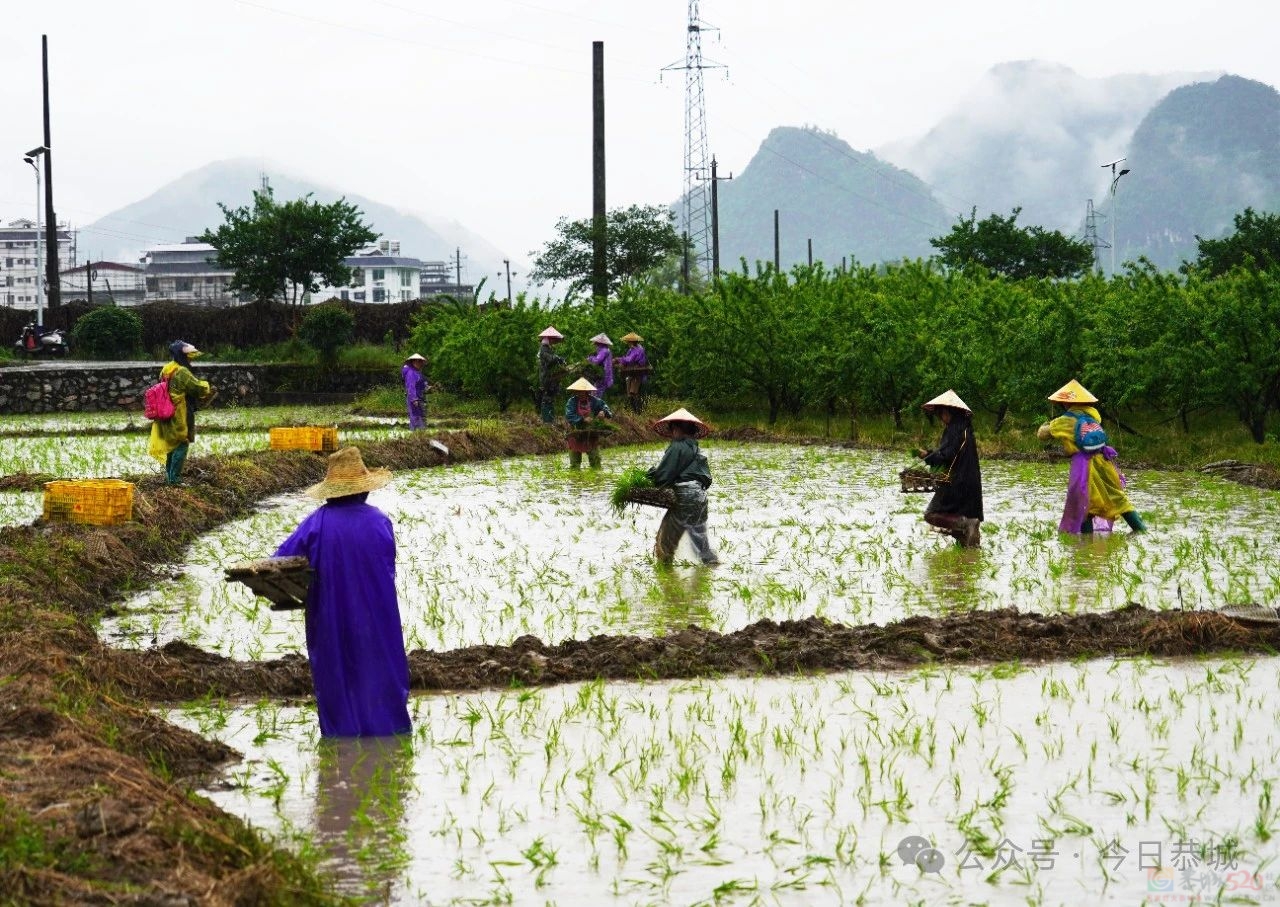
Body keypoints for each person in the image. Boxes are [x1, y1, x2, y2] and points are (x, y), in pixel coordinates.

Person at [274, 446, 412, 738]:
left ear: (330, 492)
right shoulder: (380, 522)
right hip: (377, 618)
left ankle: (341, 740)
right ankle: (389, 734)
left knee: (336, 674)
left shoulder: (317, 523)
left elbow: (281, 562)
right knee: (380, 670)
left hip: (331, 618)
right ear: (364, 489)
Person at [1037, 379, 1148, 534]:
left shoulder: (1065, 421)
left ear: (1066, 403)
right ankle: (1141, 530)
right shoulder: (1094, 416)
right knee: (1117, 496)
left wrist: (1045, 425)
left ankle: (1086, 543)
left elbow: (1042, 434)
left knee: (1084, 503)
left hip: (1084, 465)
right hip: (1105, 461)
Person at [647, 408, 720, 565]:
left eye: (673, 429)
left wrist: (650, 476)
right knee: (700, 542)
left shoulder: (677, 446)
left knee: (665, 543)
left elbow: (663, 476)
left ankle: (665, 576)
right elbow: (706, 479)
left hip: (684, 496)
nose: (672, 434)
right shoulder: (697, 450)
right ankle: (711, 569)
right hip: (700, 497)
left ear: (678, 429)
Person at [913, 389, 983, 548]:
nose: (941, 419)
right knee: (967, 547)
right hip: (971, 482)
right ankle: (968, 549)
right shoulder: (966, 429)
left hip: (956, 481)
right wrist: (932, 454)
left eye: (941, 415)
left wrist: (926, 456)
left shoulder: (953, 430)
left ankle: (965, 525)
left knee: (931, 514)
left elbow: (946, 455)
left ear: (947, 412)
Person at [148, 340, 217, 485]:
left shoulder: (166, 369)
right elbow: (198, 388)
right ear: (182, 356)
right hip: (180, 412)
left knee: (171, 443)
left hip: (165, 411)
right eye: (189, 356)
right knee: (182, 442)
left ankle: (169, 477)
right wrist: (207, 385)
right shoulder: (182, 371)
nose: (190, 359)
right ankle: (175, 480)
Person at [564, 377, 613, 468]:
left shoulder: (594, 401)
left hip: (591, 434)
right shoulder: (572, 402)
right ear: (575, 391)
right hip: (575, 434)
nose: (581, 393)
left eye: (583, 391)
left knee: (596, 462)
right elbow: (569, 415)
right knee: (575, 464)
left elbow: (606, 408)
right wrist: (582, 419)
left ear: (587, 392)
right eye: (578, 391)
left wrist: (603, 412)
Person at [614, 332, 650, 413]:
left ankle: (637, 411)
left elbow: (629, 359)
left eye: (628, 341)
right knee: (630, 393)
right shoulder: (632, 349)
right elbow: (627, 359)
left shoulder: (638, 349)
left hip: (637, 372)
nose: (627, 343)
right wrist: (620, 360)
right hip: (632, 372)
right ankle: (634, 411)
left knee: (633, 392)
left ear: (632, 341)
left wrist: (619, 360)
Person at [537, 326, 566, 424]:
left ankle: (550, 419)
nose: (554, 342)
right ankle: (547, 421)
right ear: (549, 339)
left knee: (550, 398)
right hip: (546, 377)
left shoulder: (548, 348)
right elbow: (549, 359)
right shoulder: (543, 349)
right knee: (547, 398)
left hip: (549, 377)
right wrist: (557, 358)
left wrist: (559, 359)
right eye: (553, 340)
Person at [402, 353, 428, 430]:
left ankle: (420, 435)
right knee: (416, 417)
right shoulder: (411, 373)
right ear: (414, 362)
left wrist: (428, 387)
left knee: (421, 417)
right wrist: (414, 399)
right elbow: (410, 387)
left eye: (421, 362)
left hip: (420, 397)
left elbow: (422, 385)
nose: (421, 364)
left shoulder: (417, 373)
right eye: (419, 361)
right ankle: (417, 435)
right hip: (415, 399)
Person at [585, 333, 614, 399]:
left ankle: (595, 408)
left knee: (596, 394)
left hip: (603, 375)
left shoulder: (604, 351)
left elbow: (597, 361)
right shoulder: (606, 350)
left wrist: (590, 358)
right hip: (605, 375)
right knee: (596, 393)